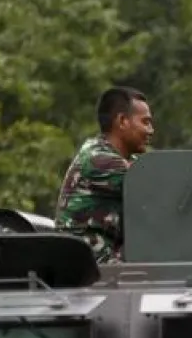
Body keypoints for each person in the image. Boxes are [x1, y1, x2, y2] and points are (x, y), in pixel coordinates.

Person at [55, 86, 154, 263]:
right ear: (123, 121)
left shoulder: (118, 158)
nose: (150, 130)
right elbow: (160, 191)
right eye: (145, 122)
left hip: (104, 267)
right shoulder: (99, 159)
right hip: (86, 268)